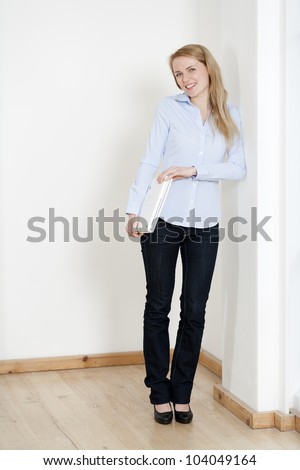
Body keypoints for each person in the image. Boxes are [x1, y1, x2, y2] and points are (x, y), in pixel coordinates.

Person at [125, 44, 246, 425]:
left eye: (191, 70)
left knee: (194, 311)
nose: (186, 79)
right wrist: (134, 210)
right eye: (178, 74)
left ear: (208, 68)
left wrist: (193, 169)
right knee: (158, 306)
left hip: (205, 226)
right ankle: (159, 392)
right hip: (162, 220)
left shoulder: (231, 115)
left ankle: (182, 393)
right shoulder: (168, 108)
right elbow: (149, 159)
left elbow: (238, 168)